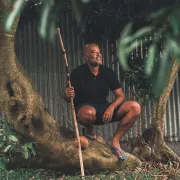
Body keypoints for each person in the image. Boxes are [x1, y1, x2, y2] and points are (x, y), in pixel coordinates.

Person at [64, 43, 141, 160]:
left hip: (105, 108)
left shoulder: (108, 72)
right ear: (86, 56)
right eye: (94, 52)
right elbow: (69, 98)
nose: (99, 55)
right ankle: (89, 129)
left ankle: (115, 141)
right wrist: (67, 95)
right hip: (86, 109)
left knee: (135, 107)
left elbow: (120, 96)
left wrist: (111, 108)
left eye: (99, 52)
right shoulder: (77, 73)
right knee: (88, 112)